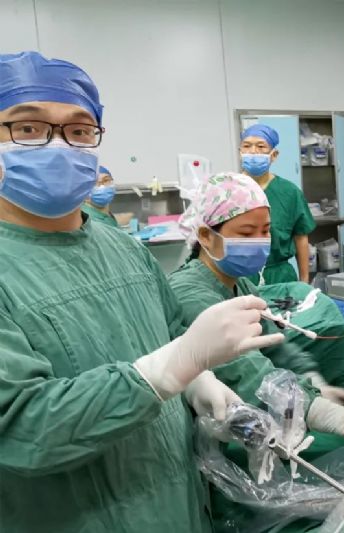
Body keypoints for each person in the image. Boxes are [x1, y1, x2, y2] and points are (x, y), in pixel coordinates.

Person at [0, 51, 283, 533]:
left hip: (177, 507)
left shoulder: (122, 248)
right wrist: (160, 375)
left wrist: (198, 383)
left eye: (80, 130)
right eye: (28, 128)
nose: (59, 144)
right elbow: (22, 430)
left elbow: (172, 335)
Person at [170, 172, 344, 531]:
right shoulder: (191, 294)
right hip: (210, 438)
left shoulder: (237, 284)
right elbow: (250, 376)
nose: (259, 242)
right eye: (246, 233)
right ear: (205, 236)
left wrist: (315, 382)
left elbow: (277, 345)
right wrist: (343, 420)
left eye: (265, 231)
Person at [240, 124, 316, 284]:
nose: (253, 151)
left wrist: (304, 282)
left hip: (280, 276)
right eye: (246, 146)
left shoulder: (289, 192)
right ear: (240, 152)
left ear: (274, 155)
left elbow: (301, 237)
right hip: (240, 275)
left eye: (261, 146)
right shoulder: (229, 189)